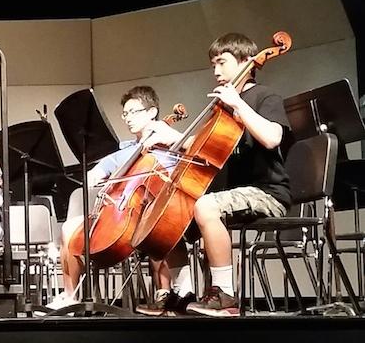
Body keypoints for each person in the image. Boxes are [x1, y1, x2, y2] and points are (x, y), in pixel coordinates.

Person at [139, 33, 291, 317]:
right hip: (231, 195)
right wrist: (171, 137)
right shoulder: (223, 107)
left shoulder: (264, 96)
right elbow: (203, 147)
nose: (217, 71)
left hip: (267, 193)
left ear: (247, 61)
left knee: (206, 205)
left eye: (222, 62)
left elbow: (272, 138)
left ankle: (225, 294)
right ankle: (183, 292)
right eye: (213, 65)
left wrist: (239, 104)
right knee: (168, 216)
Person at [47, 86, 194, 313]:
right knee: (69, 228)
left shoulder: (170, 146)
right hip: (120, 216)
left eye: (133, 112)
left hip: (158, 215)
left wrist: (169, 140)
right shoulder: (125, 150)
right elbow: (93, 176)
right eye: (125, 114)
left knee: (158, 223)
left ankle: (173, 290)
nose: (128, 119)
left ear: (152, 112)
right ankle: (69, 296)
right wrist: (103, 181)